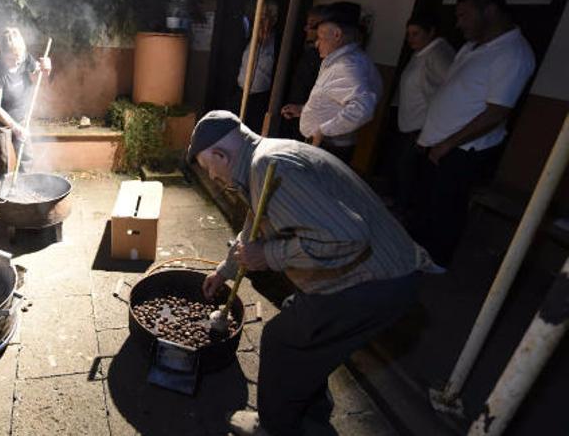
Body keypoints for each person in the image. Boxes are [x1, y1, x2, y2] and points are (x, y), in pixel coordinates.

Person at [187, 110, 440, 436]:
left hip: (376, 280)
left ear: (221, 155)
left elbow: (347, 237)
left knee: (282, 342)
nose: (216, 179)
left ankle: (275, 427)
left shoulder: (269, 166)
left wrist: (267, 255)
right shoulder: (263, 160)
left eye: (212, 170)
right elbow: (256, 224)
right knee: (307, 338)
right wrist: (226, 270)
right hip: (375, 273)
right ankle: (310, 419)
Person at [414, 0, 535, 266]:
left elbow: (496, 112)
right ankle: (416, 253)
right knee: (426, 205)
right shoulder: (472, 47)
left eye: (464, 16)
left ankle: (436, 263)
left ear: (489, 11)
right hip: (439, 143)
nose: (459, 24)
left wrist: (448, 143)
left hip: (463, 149)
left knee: (446, 210)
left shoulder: (512, 53)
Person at [281, 2, 382, 164]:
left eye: (321, 37)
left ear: (336, 34)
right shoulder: (350, 60)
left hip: (328, 147)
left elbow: (362, 108)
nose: (317, 43)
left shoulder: (348, 66)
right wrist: (303, 110)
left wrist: (324, 130)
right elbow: (334, 100)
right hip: (325, 145)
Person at [391, 14, 454, 218]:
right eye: (408, 34)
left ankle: (405, 211)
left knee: (410, 172)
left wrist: (429, 131)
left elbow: (446, 93)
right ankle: (401, 205)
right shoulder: (420, 53)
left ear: (432, 32)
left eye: (416, 34)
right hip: (409, 123)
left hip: (422, 126)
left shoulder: (438, 55)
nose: (410, 39)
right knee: (403, 169)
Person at [0, 28, 52, 181]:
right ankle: (2, 193)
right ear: (2, 53)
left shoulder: (23, 57)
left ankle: (22, 188)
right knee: (3, 158)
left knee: (26, 155)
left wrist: (46, 68)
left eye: (19, 57)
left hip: (20, 113)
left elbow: (38, 70)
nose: (17, 62)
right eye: (12, 58)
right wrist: (14, 127)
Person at [277, 5, 327, 141]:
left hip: (305, 118)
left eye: (311, 24)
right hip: (293, 112)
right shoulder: (307, 50)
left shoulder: (323, 58)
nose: (306, 28)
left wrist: (301, 109)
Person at [234, 2, 278, 134]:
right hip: (240, 93)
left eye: (265, 16)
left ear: (274, 20)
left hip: (260, 99)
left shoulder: (276, 43)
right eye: (258, 15)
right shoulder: (246, 36)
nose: (260, 20)